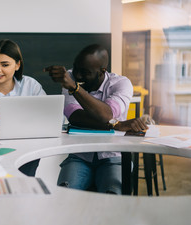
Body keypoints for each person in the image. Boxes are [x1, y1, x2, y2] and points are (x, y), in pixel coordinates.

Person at [45, 44, 148, 194]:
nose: (78, 76)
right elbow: (75, 117)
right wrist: (115, 125)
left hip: (113, 157)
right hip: (79, 156)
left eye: (85, 72)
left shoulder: (121, 83)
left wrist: (75, 88)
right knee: (63, 194)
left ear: (102, 71)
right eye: (76, 68)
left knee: (112, 196)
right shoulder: (70, 76)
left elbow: (106, 114)